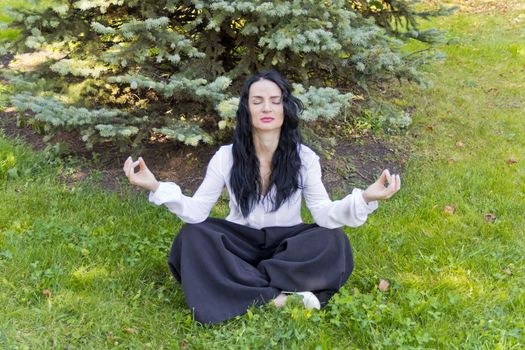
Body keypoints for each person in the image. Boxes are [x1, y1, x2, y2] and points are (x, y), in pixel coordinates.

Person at [123, 70, 400, 324]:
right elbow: (197, 211)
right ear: (247, 110)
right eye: (257, 101)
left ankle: (239, 285)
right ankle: (279, 296)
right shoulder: (225, 157)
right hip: (240, 243)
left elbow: (323, 214)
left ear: (284, 108)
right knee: (192, 237)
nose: (266, 107)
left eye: (274, 101)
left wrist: (364, 197)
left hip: (286, 242)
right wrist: (156, 186)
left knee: (334, 240)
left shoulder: (305, 158)